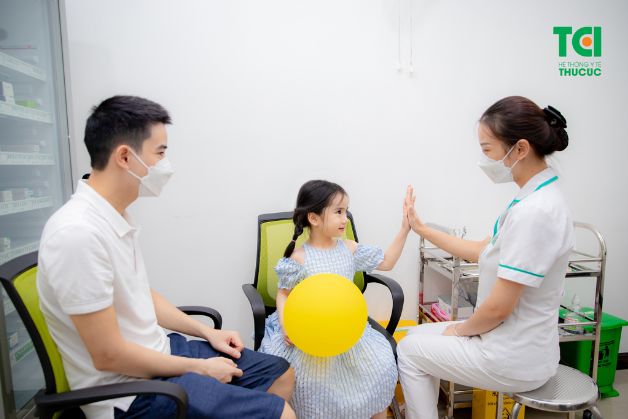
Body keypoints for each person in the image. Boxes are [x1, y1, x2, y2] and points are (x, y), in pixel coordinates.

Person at [37, 96, 296, 419]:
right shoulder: (77, 234)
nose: (165, 164)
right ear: (125, 157)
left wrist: (207, 333)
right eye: (159, 153)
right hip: (128, 392)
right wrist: (199, 368)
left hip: (159, 352)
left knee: (280, 374)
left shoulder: (114, 216)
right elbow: (108, 356)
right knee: (281, 414)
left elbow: (139, 295)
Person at [397, 96, 574, 419]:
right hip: (514, 342)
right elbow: (483, 250)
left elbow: (498, 308)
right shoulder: (533, 198)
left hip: (513, 357)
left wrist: (461, 330)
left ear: (520, 149)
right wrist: (421, 229)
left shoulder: (536, 212)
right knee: (414, 336)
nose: (485, 160)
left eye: (488, 149)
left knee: (408, 352)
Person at [259, 179, 410, 419]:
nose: (345, 219)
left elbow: (387, 262)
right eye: (338, 212)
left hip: (346, 330)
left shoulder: (349, 249)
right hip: (309, 335)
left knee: (379, 368)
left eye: (346, 211)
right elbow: (283, 294)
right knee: (311, 383)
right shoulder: (299, 258)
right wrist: (287, 326)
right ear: (314, 218)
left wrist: (405, 228)